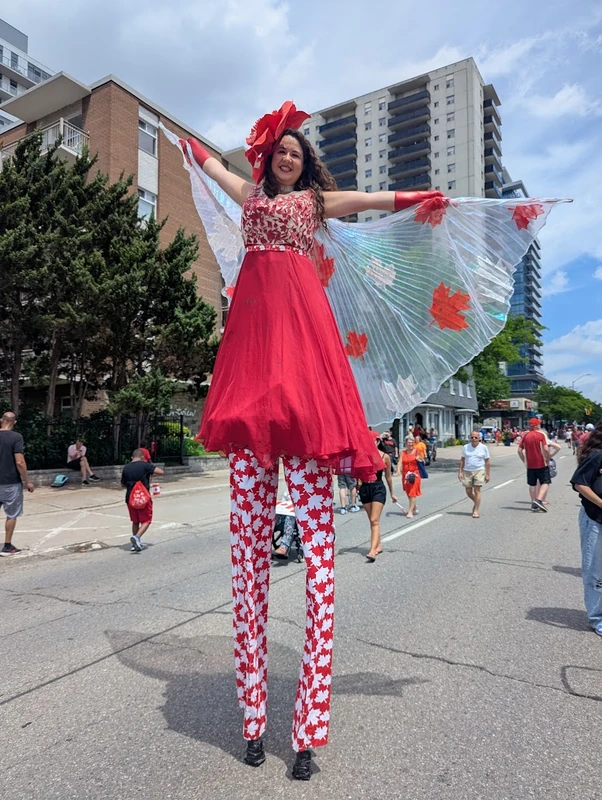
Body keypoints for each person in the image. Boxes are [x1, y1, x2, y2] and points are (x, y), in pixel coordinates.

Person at [181, 102, 445, 781]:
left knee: (321, 562)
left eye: (299, 151)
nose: (290, 157)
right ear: (267, 158)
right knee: (246, 560)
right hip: (250, 373)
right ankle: (249, 722)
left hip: (305, 371)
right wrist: (182, 139)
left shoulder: (315, 204)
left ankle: (306, 732)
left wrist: (416, 196)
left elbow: (368, 198)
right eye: (282, 151)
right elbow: (210, 165)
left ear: (305, 164)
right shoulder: (250, 196)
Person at [570, 425, 602, 636]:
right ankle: (597, 618)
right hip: (595, 520)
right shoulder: (598, 456)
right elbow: (579, 483)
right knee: (595, 572)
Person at [0, 412, 35, 556]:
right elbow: (20, 462)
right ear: (14, 422)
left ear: (1, 420)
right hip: (10, 483)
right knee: (11, 514)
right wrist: (27, 481)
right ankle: (7, 546)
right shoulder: (16, 437)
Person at [359, 437, 399, 562]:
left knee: (374, 520)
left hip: (378, 487)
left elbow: (388, 477)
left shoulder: (385, 457)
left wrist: (392, 493)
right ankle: (378, 545)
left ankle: (372, 551)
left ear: (377, 442)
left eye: (373, 440)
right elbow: (357, 474)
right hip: (365, 488)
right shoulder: (362, 455)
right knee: (372, 521)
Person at [120, 449, 164, 552]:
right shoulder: (145, 465)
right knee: (146, 520)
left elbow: (123, 484)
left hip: (130, 498)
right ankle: (137, 537)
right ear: (143, 457)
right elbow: (161, 472)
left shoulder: (126, 467)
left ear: (132, 457)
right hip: (143, 497)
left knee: (135, 521)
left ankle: (135, 544)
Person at [517, 418, 550, 512]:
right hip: (541, 463)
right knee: (545, 482)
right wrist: (547, 459)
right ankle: (539, 500)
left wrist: (524, 460)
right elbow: (546, 449)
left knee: (532, 484)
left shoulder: (526, 436)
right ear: (536, 425)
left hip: (530, 464)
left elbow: (519, 450)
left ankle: (533, 504)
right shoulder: (540, 435)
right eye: (538, 424)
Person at [458, 431, 491, 518]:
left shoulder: (483, 447)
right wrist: (460, 472)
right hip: (467, 470)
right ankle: (476, 501)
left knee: (477, 490)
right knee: (468, 491)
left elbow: (487, 461)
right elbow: (462, 460)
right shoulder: (466, 447)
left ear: (479, 438)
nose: (474, 439)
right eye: (472, 437)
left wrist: (487, 474)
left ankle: (476, 510)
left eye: (476, 437)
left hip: (479, 470)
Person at [398, 436, 423, 518]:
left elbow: (422, 459)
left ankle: (410, 511)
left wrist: (418, 459)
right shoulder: (403, 452)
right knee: (408, 492)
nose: (410, 444)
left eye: (412, 442)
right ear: (406, 443)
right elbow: (400, 462)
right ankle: (414, 506)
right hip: (405, 476)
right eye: (409, 443)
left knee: (412, 493)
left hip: (414, 475)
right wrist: (398, 470)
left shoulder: (417, 451)